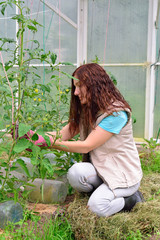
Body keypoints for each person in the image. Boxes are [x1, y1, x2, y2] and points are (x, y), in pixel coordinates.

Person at [21, 63, 144, 217]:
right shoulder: (89, 109)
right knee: (75, 173)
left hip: (121, 174)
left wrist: (48, 143)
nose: (76, 92)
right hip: (104, 169)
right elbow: (63, 133)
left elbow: (86, 146)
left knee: (96, 208)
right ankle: (103, 192)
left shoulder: (116, 114)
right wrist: (33, 137)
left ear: (94, 85)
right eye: (75, 87)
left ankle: (131, 200)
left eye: (80, 86)